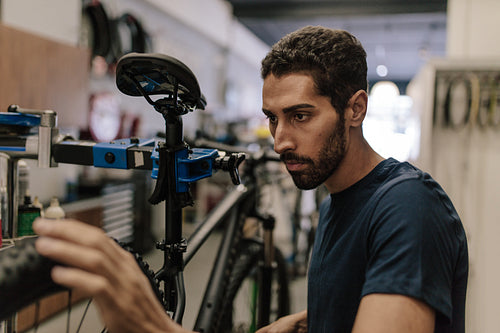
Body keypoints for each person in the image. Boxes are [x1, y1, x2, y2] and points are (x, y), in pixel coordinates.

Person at [33, 26, 468, 333]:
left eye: (300, 116)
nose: (280, 141)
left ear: (355, 109)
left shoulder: (409, 207)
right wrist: (310, 321)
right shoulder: (337, 198)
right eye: (272, 119)